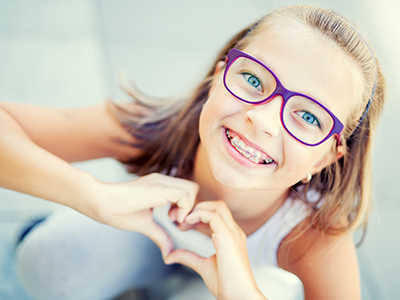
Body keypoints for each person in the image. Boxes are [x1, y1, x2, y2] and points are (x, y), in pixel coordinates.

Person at [6, 5, 385, 300]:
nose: (263, 120)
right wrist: (90, 194)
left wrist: (243, 295)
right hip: (144, 240)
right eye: (253, 80)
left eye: (307, 117)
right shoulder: (151, 129)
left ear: (324, 158)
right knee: (49, 260)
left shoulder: (312, 235)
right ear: (217, 78)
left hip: (243, 282)